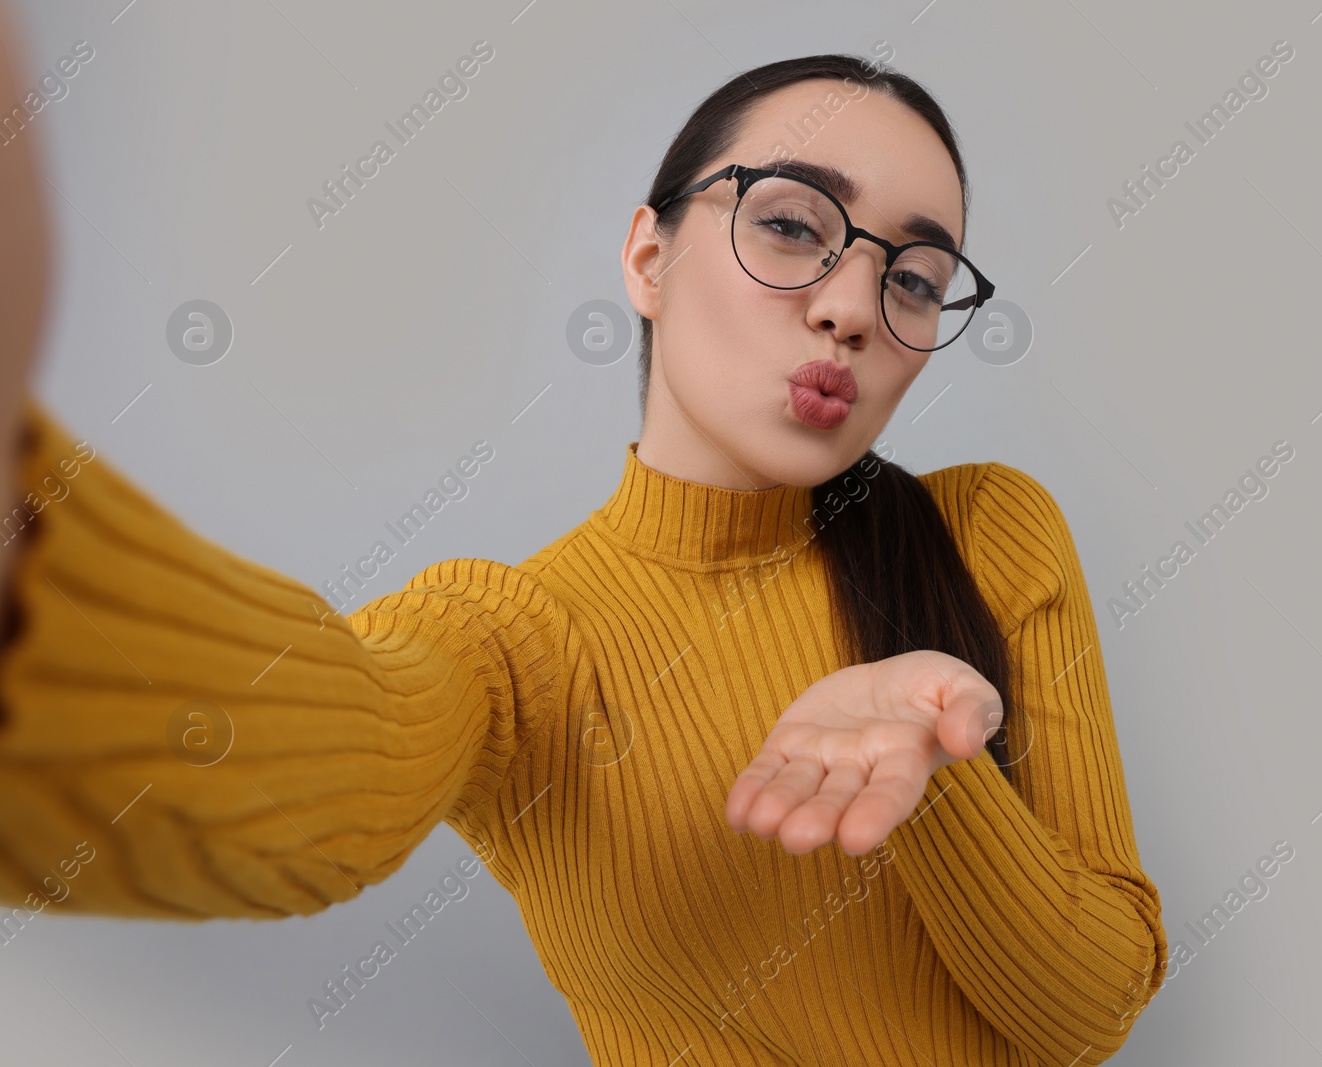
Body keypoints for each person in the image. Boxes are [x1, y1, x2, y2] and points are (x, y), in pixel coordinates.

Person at [0, 23, 1166, 1065]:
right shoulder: (519, 638)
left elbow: (1089, 1012)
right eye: (792, 225)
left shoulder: (985, 532)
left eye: (913, 278)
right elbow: (310, 761)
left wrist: (932, 763)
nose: (851, 308)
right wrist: (30, 573)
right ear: (648, 259)